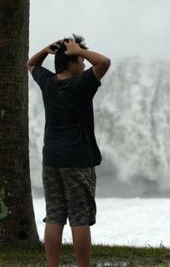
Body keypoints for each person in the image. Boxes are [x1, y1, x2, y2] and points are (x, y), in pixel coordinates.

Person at [26, 34, 111, 267]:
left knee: (54, 216)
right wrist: (79, 50)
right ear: (72, 62)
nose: (84, 64)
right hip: (77, 161)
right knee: (80, 218)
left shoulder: (48, 82)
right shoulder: (80, 84)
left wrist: (46, 49)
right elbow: (104, 62)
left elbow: (31, 64)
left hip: (51, 160)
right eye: (80, 61)